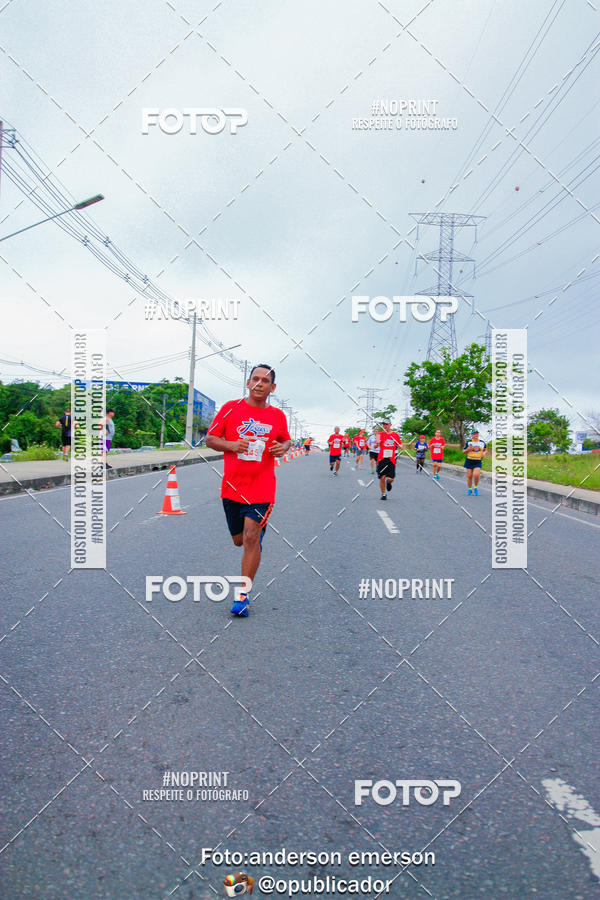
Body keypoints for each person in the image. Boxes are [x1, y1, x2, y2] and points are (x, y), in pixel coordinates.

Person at [205, 364, 291, 616]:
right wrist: (233, 445)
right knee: (239, 540)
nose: (259, 383)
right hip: (232, 487)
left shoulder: (277, 416)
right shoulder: (230, 408)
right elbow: (211, 439)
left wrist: (283, 447)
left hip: (262, 488)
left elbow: (286, 439)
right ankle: (254, 538)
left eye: (265, 380)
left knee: (251, 536)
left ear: (272, 388)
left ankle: (242, 595)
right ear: (248, 383)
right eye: (255, 379)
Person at [376, 419, 402, 500]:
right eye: (383, 424)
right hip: (382, 458)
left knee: (390, 479)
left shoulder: (395, 435)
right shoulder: (379, 434)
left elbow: (400, 444)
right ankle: (384, 494)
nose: (385, 426)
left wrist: (401, 446)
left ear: (390, 425)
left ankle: (388, 483)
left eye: (386, 424)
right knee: (382, 477)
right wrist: (377, 443)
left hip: (391, 459)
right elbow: (375, 446)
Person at [463, 430, 487, 495]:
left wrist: (484, 453)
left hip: (478, 461)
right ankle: (470, 489)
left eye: (477, 434)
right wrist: (468, 449)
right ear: (472, 435)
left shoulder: (482, 443)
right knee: (469, 476)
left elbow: (485, 450)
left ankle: (475, 487)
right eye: (474, 434)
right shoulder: (469, 442)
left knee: (476, 475)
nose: (475, 435)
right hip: (469, 460)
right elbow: (463, 452)